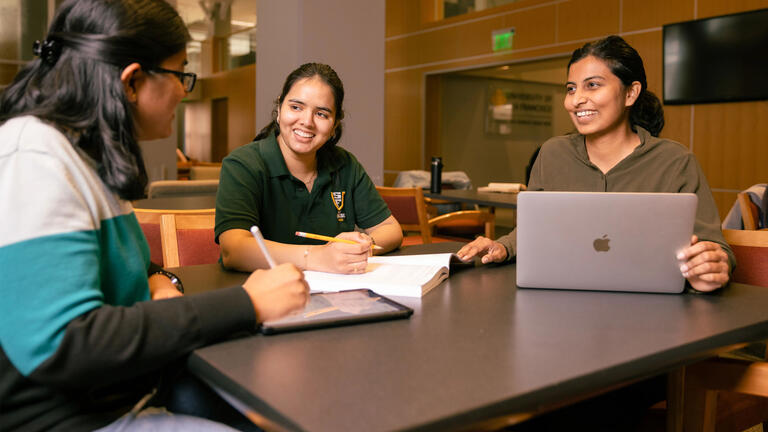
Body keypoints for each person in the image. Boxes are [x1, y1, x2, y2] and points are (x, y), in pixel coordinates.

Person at [0, 1, 308, 431]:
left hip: (133, 389)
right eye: (181, 73)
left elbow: (131, 265)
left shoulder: (85, 158)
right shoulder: (34, 155)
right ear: (132, 81)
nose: (186, 90)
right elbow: (63, 343)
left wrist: (160, 280)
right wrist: (247, 302)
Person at [458, 35, 733, 293]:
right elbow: (534, 230)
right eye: (571, 88)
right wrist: (503, 246)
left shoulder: (675, 162)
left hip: (651, 312)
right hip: (561, 304)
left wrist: (712, 267)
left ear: (630, 93)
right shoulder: (552, 154)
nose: (576, 100)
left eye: (593, 85)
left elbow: (715, 249)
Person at [216, 63, 403, 274]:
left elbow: (391, 229)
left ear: (335, 124)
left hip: (335, 295)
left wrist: (360, 247)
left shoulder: (345, 164)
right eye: (296, 107)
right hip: (264, 294)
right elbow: (234, 249)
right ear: (279, 109)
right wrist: (318, 257)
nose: (306, 122)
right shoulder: (243, 164)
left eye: (321, 114)